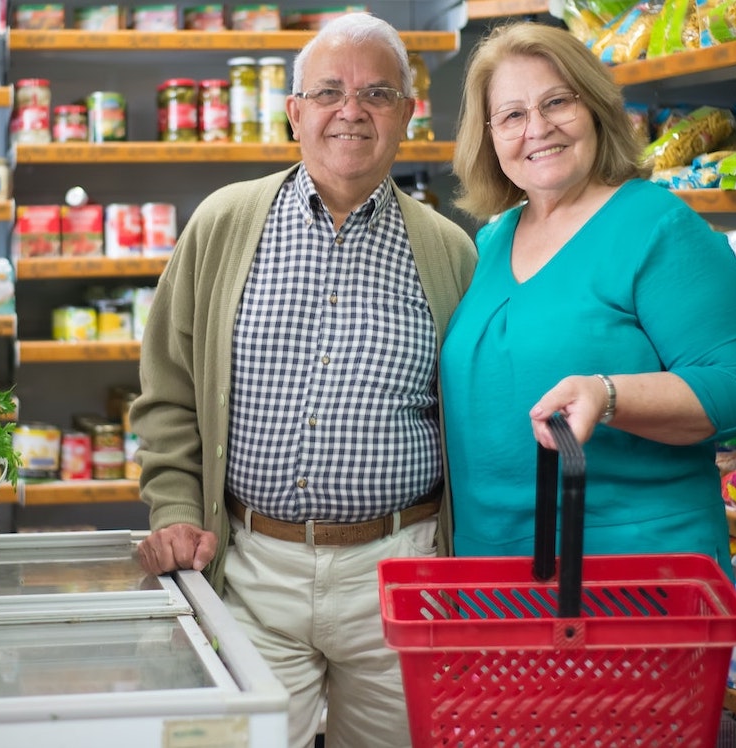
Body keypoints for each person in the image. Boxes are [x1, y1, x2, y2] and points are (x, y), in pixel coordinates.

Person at [130, 12, 477, 748]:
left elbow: (471, 414)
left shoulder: (450, 252)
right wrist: (172, 507)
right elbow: (167, 391)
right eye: (328, 92)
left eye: (378, 94)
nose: (351, 111)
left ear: (408, 115)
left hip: (399, 571)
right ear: (295, 113)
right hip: (252, 565)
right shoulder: (223, 224)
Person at [441, 22, 736, 575]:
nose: (538, 128)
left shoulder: (658, 227)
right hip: (495, 565)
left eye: (557, 102)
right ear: (489, 136)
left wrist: (608, 394)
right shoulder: (494, 239)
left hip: (630, 570)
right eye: (513, 115)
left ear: (594, 108)